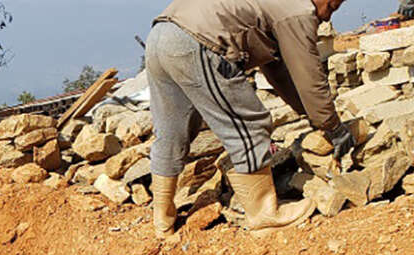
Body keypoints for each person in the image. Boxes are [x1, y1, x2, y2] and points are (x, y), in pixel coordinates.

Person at [145, 0, 353, 237]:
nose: (327, 18)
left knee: (172, 130)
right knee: (247, 123)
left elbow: (281, 73)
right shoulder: (298, 10)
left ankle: (162, 220)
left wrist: (313, 116)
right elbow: (309, 77)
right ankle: (264, 215)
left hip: (161, 35)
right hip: (197, 39)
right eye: (332, 8)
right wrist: (333, 126)